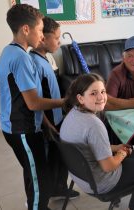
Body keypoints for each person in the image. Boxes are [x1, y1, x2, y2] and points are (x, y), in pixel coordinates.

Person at [0, 4, 64, 210]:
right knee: (41, 185)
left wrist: (45, 122)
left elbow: (24, 99)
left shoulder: (9, 51)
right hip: (22, 130)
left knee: (34, 173)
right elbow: (33, 102)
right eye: (39, 29)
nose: (41, 36)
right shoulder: (21, 58)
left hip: (19, 127)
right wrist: (65, 101)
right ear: (26, 29)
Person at [60, 73, 134, 210]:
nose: (101, 97)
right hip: (101, 184)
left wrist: (116, 148)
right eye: (93, 93)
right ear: (80, 98)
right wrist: (121, 153)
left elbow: (90, 146)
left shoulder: (72, 114)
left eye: (103, 91)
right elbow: (108, 166)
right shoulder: (94, 125)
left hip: (82, 178)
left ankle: (133, 197)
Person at [29, 16, 79, 200]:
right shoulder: (33, 62)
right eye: (57, 38)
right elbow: (35, 100)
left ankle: (59, 186)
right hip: (47, 122)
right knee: (49, 159)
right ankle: (46, 193)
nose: (59, 41)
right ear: (43, 38)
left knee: (60, 156)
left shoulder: (46, 57)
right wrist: (47, 125)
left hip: (57, 118)